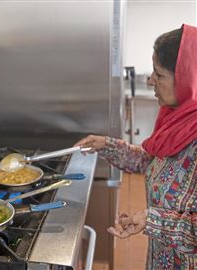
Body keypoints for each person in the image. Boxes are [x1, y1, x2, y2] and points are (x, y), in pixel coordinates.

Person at [74, 24, 197, 269]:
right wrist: (105, 145)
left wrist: (151, 219)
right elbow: (151, 160)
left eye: (159, 74)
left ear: (188, 78)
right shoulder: (176, 120)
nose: (151, 80)